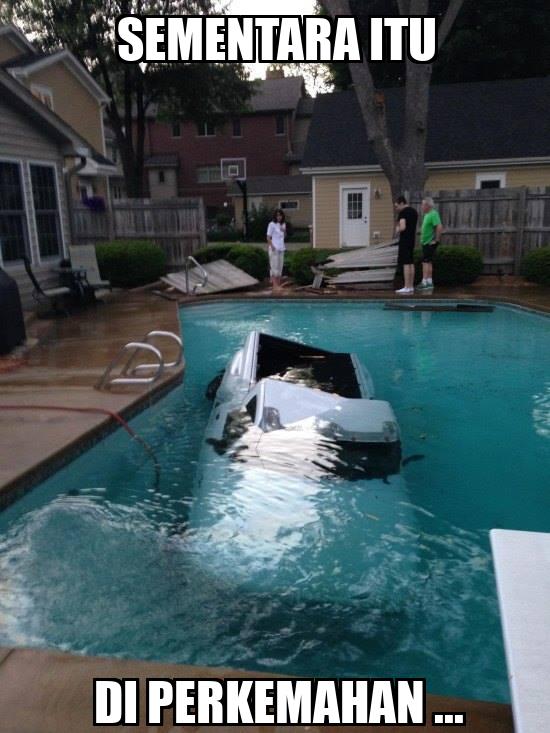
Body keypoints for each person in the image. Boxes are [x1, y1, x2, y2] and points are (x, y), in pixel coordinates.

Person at [394, 195, 418, 295]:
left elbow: (403, 227)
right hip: (412, 239)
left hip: (405, 240)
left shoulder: (403, 212)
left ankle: (407, 287)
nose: (396, 208)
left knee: (406, 263)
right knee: (411, 263)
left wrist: (397, 229)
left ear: (402, 203)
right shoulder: (414, 212)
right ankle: (411, 286)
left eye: (397, 206)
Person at [417, 197, 443, 291]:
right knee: (428, 262)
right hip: (425, 243)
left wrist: (436, 240)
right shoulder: (427, 214)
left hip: (429, 243)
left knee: (425, 262)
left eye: (423, 204)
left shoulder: (433, 214)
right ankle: (429, 282)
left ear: (427, 205)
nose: (421, 206)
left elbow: (439, 226)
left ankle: (424, 282)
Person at [266, 208, 286, 292]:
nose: (279, 217)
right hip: (274, 248)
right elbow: (268, 237)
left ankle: (278, 284)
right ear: (275, 216)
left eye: (280, 215)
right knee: (274, 267)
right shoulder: (271, 224)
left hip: (281, 248)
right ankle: (275, 285)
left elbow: (284, 236)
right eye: (277, 215)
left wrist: (284, 231)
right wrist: (272, 246)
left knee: (280, 266)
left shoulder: (283, 224)